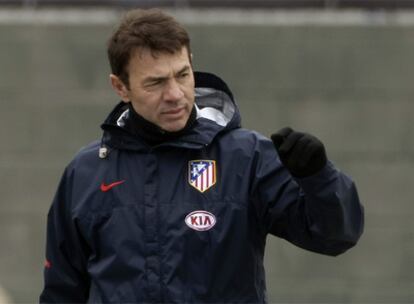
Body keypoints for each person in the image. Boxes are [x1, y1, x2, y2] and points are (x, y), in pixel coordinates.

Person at [39, 8, 364, 304]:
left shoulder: (245, 157)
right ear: (121, 88)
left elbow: (336, 235)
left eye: (182, 75)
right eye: (155, 83)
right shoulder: (86, 172)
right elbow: (61, 292)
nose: (175, 95)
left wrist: (318, 177)